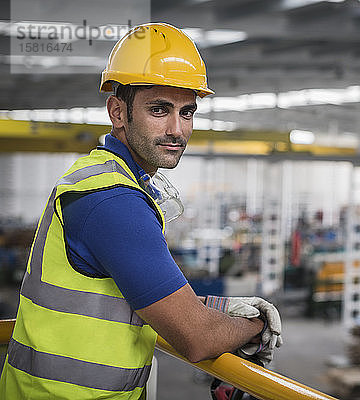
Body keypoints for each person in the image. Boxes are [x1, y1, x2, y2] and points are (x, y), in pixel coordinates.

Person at [0, 22, 282, 399]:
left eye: (186, 112)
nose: (177, 130)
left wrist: (219, 308)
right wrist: (257, 328)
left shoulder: (99, 178)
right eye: (159, 109)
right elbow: (195, 339)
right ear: (118, 111)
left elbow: (122, 295)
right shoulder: (113, 202)